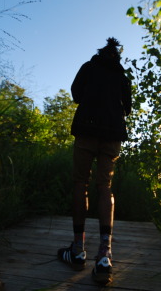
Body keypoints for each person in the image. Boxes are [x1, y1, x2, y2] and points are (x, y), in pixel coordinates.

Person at [57, 37, 132, 284]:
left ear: (100, 53)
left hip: (87, 129)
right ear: (117, 56)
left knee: (80, 183)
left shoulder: (88, 67)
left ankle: (77, 251)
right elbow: (128, 107)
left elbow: (76, 94)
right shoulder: (122, 76)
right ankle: (104, 256)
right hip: (112, 135)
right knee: (105, 187)